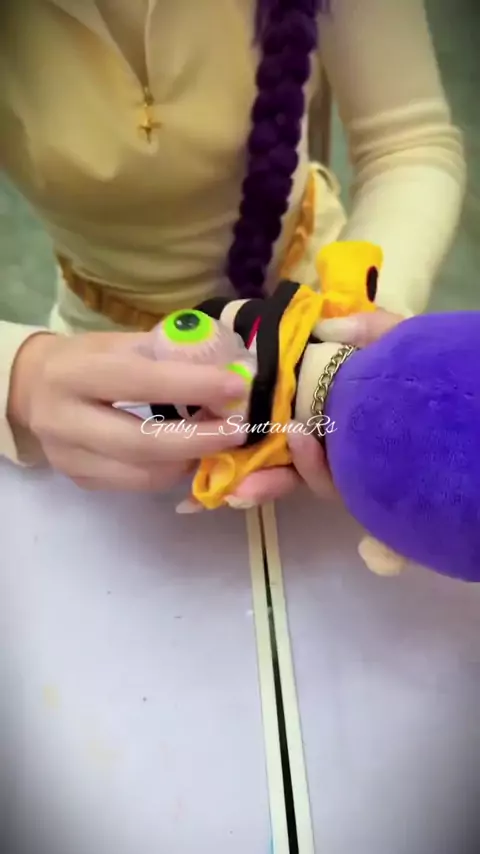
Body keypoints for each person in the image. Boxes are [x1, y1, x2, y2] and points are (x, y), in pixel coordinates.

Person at [0, 0, 465, 504]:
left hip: (324, 318)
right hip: (102, 373)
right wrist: (22, 375)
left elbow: (407, 145)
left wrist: (356, 330)